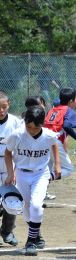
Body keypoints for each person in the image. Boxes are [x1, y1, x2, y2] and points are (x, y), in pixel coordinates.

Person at [3, 106, 61, 256]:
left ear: (43, 123)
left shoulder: (48, 135)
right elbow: (8, 153)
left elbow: (54, 142)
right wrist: (11, 173)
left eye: (37, 127)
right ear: (24, 122)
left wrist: (57, 164)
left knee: (36, 205)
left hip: (40, 174)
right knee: (27, 210)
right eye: (29, 126)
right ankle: (36, 234)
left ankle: (30, 241)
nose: (32, 131)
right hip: (22, 174)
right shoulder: (18, 135)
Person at [0, 91, 22, 246]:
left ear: (9, 105)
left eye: (4, 107)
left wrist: (13, 171)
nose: (1, 111)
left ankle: (8, 231)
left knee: (12, 200)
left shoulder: (16, 122)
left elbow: (20, 149)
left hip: (9, 165)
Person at [44, 87, 76, 182]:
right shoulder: (69, 110)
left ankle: (43, 189)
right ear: (70, 102)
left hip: (44, 140)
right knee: (69, 169)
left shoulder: (53, 110)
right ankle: (43, 179)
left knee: (48, 167)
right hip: (54, 141)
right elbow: (67, 126)